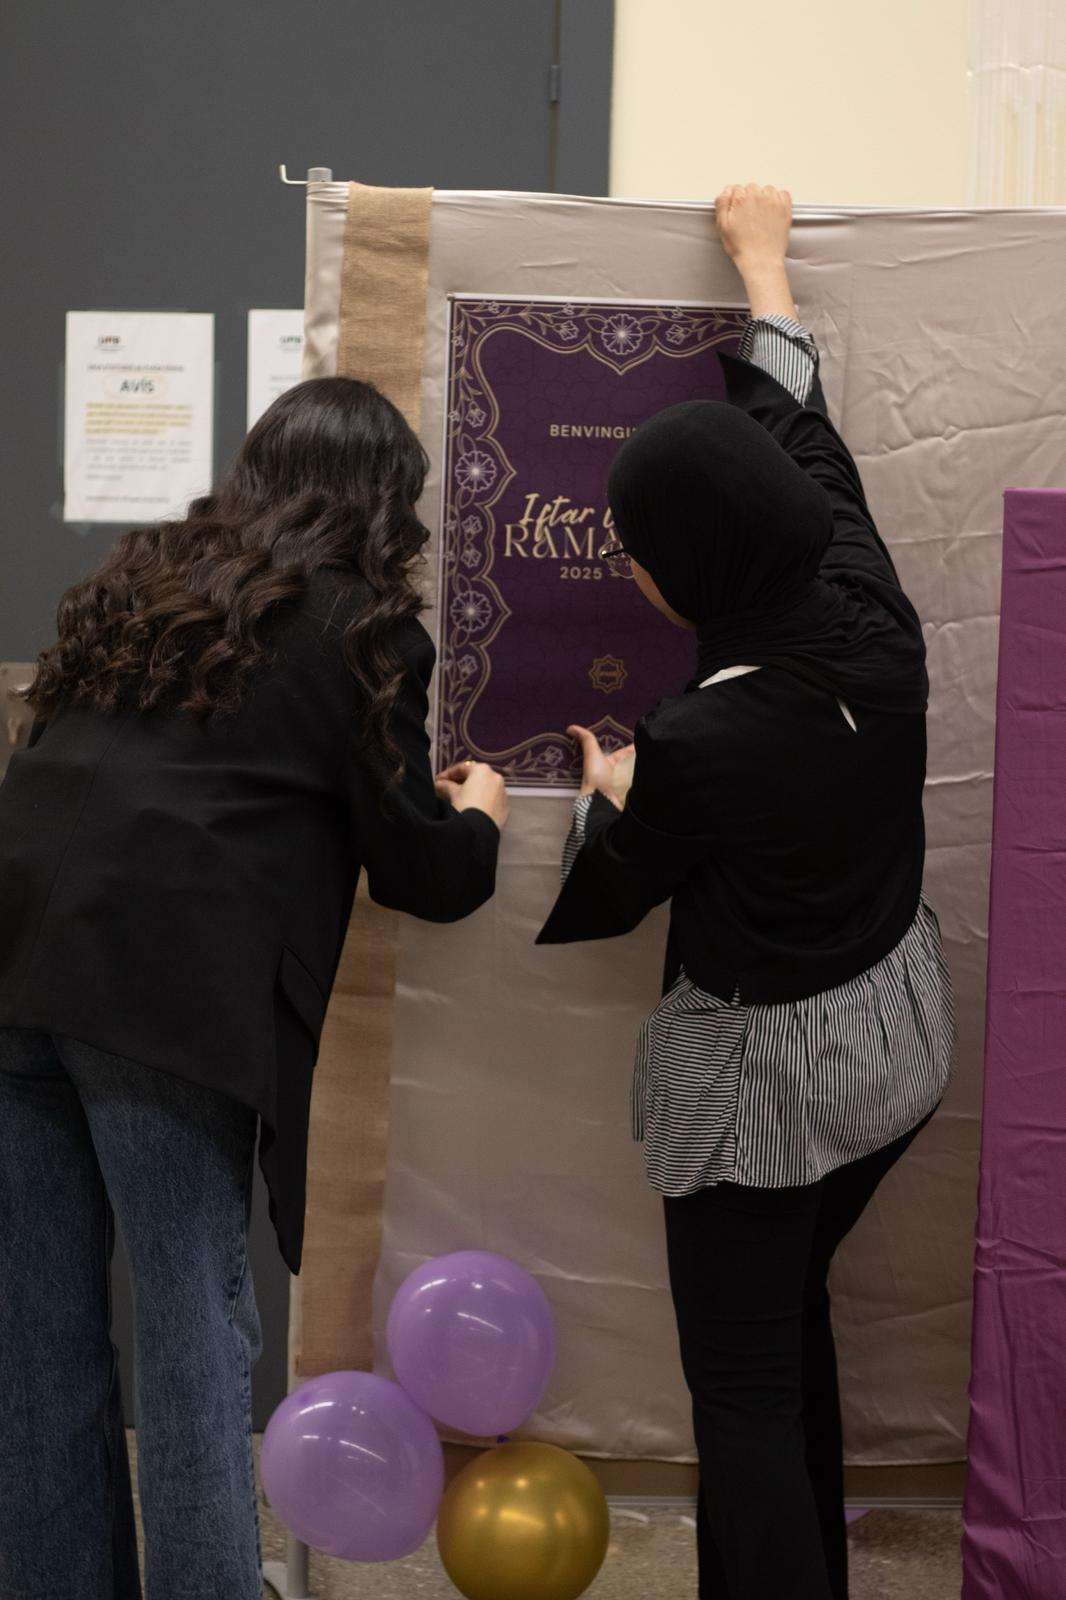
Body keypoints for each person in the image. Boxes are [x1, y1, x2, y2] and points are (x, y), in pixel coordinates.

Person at [0, 377, 507, 1599]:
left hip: (17, 957)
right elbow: (421, 869)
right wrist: (480, 811)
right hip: (160, 994)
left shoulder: (143, 581)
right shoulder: (360, 625)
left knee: (37, 1333)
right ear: (385, 503)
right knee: (192, 1336)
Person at [538, 184, 954, 1600]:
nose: (625, 567)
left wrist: (606, 795)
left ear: (693, 569)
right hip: (891, 1050)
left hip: (760, 1100)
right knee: (781, 1330)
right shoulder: (868, 606)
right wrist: (762, 269)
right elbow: (800, 431)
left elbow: (609, 894)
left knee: (740, 1390)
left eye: (636, 551)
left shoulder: (700, 740)